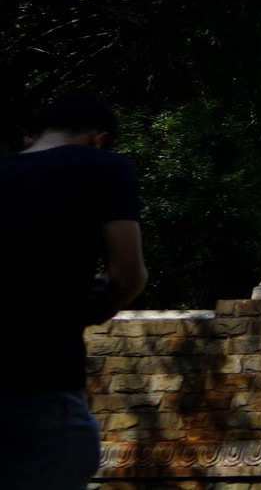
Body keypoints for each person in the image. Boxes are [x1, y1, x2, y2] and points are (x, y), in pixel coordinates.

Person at [1, 95, 147, 490]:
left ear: (29, 137)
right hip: (41, 380)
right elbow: (127, 275)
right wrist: (86, 305)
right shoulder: (104, 168)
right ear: (98, 139)